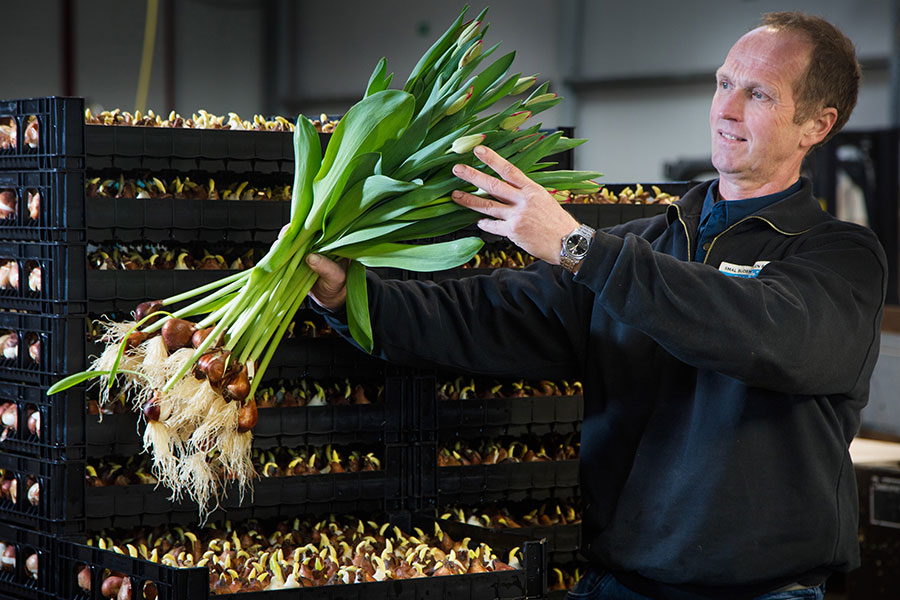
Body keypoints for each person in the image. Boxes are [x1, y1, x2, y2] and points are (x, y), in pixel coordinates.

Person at [304, 11, 888, 600]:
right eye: (723, 83)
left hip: (762, 592)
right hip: (620, 582)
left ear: (817, 123)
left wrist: (576, 246)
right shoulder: (646, 245)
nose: (727, 110)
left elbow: (760, 332)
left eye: (758, 93)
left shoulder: (839, 257)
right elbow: (493, 317)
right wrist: (350, 296)